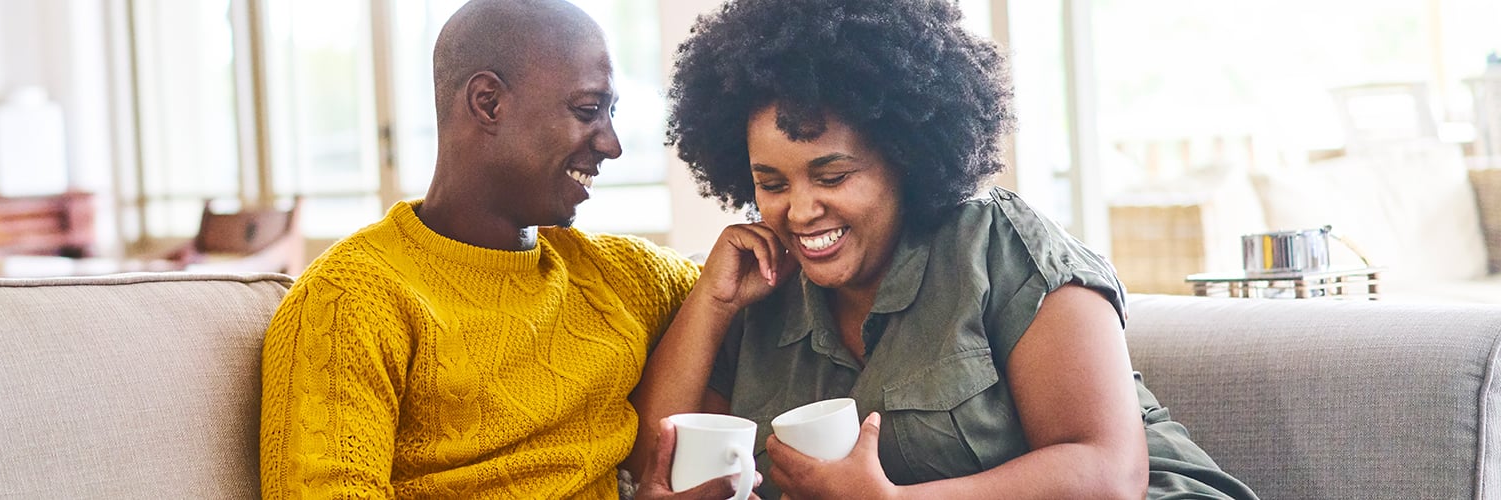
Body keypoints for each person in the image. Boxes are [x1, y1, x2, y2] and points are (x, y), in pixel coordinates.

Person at [627, 0, 1258, 498]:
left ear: (904, 160)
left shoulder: (996, 245)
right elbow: (658, 459)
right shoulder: (761, 291)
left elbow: (1109, 474)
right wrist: (709, 304)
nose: (799, 210)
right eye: (771, 184)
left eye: (833, 176)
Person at [257, 0, 701, 497]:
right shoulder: (350, 301)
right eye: (587, 110)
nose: (612, 144)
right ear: (488, 102)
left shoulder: (620, 276)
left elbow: (747, 294)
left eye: (611, 113)